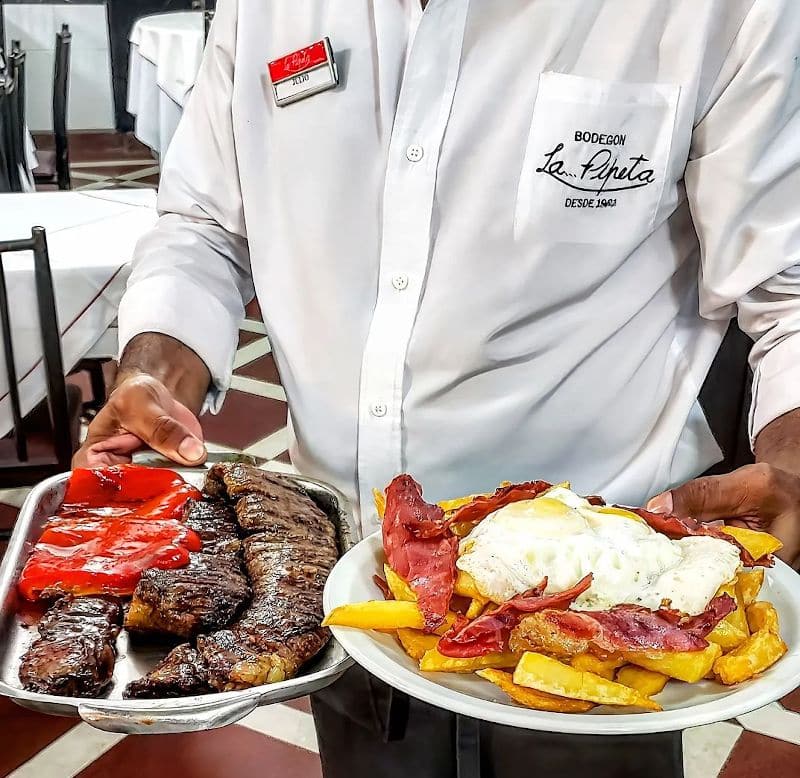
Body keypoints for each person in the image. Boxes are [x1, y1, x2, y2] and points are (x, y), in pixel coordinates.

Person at [75, 1, 800, 776]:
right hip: (360, 581)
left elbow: (785, 279)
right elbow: (204, 225)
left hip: (613, 613)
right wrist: (155, 363)